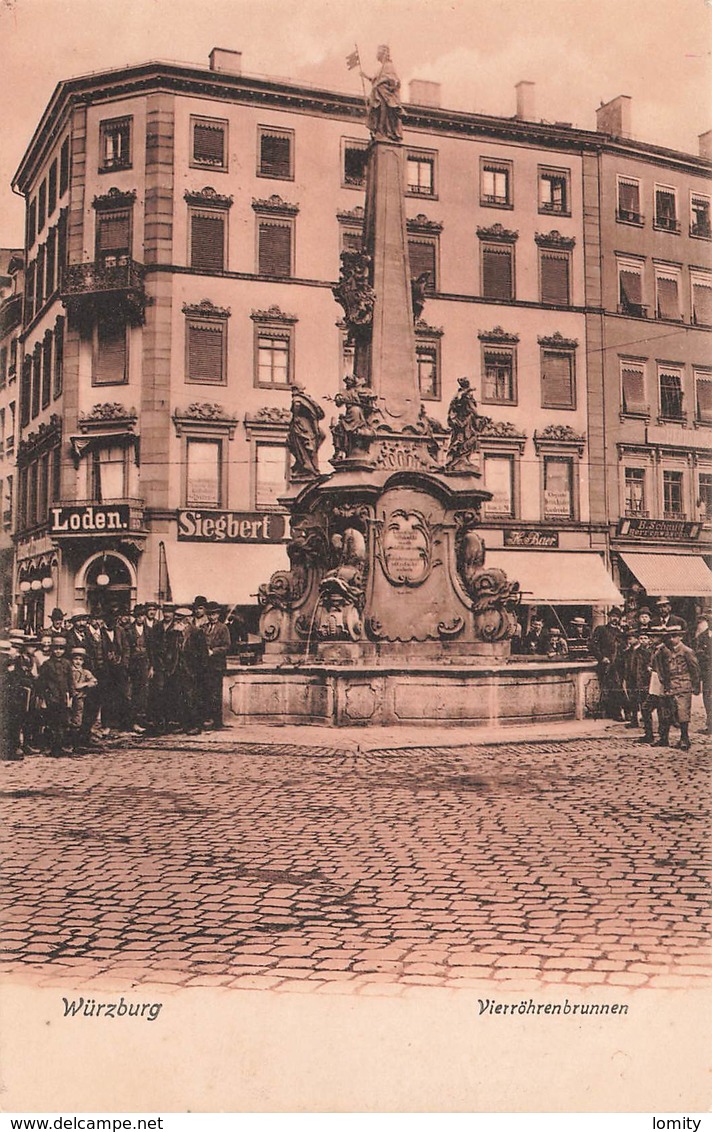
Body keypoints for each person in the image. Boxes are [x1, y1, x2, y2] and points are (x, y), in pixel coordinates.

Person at [654, 627, 701, 749]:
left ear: (680, 637)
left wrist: (696, 686)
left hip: (683, 685)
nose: (671, 639)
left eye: (674, 636)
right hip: (670, 686)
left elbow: (695, 669)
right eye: (669, 636)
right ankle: (664, 738)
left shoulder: (686, 651)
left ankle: (684, 739)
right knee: (667, 712)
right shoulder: (666, 650)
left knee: (682, 712)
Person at [35, 637, 73, 757]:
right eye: (56, 649)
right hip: (51, 697)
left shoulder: (67, 663)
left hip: (63, 697)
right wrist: (43, 699)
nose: (58, 651)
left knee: (63, 722)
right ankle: (52, 747)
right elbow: (42, 682)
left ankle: (60, 746)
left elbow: (70, 681)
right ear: (52, 650)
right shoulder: (47, 664)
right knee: (52, 722)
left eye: (61, 649)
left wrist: (71, 695)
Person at [589, 608, 626, 720]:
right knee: (612, 688)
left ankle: (619, 711)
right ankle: (616, 713)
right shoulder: (601, 629)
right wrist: (601, 657)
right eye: (613, 616)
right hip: (606, 664)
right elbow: (592, 645)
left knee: (618, 687)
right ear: (609, 617)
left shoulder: (621, 633)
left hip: (619, 664)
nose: (615, 619)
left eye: (617, 617)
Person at [361, 45, 403, 143]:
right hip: (379, 96)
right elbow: (376, 80)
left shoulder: (388, 66)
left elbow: (392, 79)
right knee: (379, 115)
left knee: (384, 117)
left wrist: (378, 84)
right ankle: (381, 132)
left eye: (378, 52)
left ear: (383, 54)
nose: (377, 54)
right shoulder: (381, 68)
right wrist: (366, 77)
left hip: (386, 97)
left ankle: (385, 133)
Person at [287, 384, 326, 479]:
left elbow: (296, 403)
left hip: (301, 426)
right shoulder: (307, 399)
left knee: (304, 445)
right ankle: (308, 466)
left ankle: (307, 466)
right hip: (307, 427)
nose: (292, 392)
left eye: (293, 389)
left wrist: (295, 416)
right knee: (308, 446)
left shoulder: (298, 398)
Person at [203, 602, 231, 729]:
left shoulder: (223, 628)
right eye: (209, 614)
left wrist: (213, 651)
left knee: (216, 693)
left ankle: (217, 720)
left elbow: (227, 646)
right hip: (205, 665)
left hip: (217, 665)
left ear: (218, 615)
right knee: (207, 692)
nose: (211, 617)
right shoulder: (204, 628)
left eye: (213, 614)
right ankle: (208, 718)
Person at [68, 648, 99, 752]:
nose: (78, 662)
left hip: (81, 698)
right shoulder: (69, 671)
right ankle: (70, 743)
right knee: (71, 719)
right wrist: (85, 684)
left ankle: (78, 743)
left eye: (80, 659)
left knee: (79, 719)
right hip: (70, 698)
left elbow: (94, 681)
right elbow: (74, 685)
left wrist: (90, 682)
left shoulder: (85, 672)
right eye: (75, 659)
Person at [126, 605, 150, 732]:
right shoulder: (128, 630)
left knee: (143, 693)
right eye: (138, 616)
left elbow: (152, 650)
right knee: (132, 693)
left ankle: (141, 720)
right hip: (132, 665)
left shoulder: (148, 630)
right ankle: (132, 722)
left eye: (142, 615)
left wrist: (151, 667)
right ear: (135, 617)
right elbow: (126, 649)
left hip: (145, 664)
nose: (140, 618)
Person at [693, 613, 712, 735]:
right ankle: (710, 724)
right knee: (708, 697)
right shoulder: (702, 637)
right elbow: (698, 652)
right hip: (708, 671)